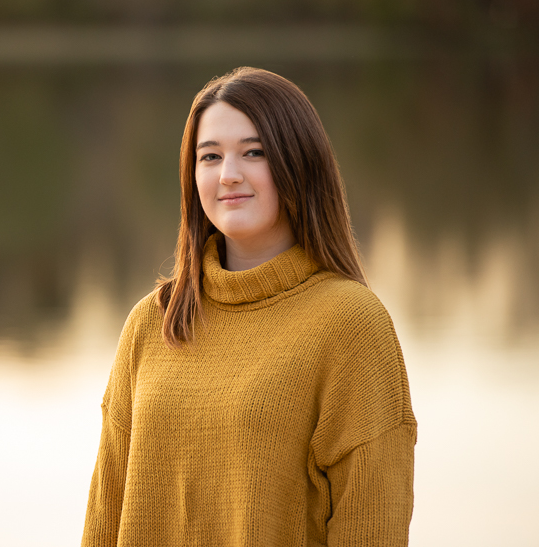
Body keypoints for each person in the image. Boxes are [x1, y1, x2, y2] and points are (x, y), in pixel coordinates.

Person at [81, 67, 417, 547]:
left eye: (253, 152)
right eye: (210, 156)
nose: (228, 175)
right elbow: (104, 515)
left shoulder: (351, 324)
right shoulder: (152, 322)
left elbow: (372, 530)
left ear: (298, 163)